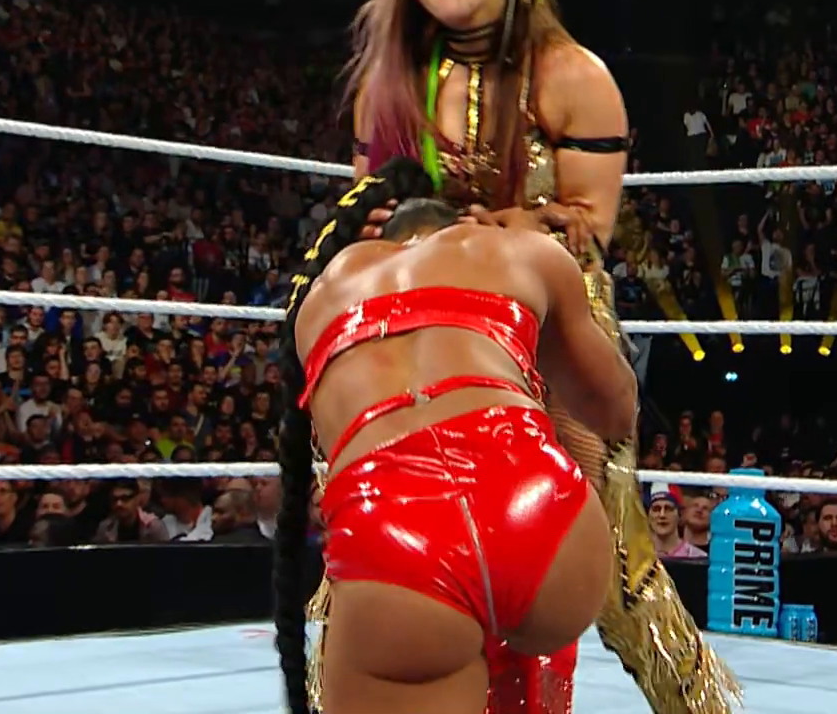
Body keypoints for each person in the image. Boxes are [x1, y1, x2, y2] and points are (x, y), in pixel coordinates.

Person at [337, 0, 727, 714]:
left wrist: (511, 228)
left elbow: (590, 228)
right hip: (427, 327)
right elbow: (369, 214)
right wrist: (378, 225)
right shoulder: (392, 86)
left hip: (550, 323)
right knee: (375, 547)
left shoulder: (573, 75)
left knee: (612, 563)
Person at [274, 159, 726, 714]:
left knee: (421, 638)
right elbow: (615, 410)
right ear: (459, 226)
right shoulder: (515, 251)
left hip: (401, 545)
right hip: (539, 512)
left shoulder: (318, 301)